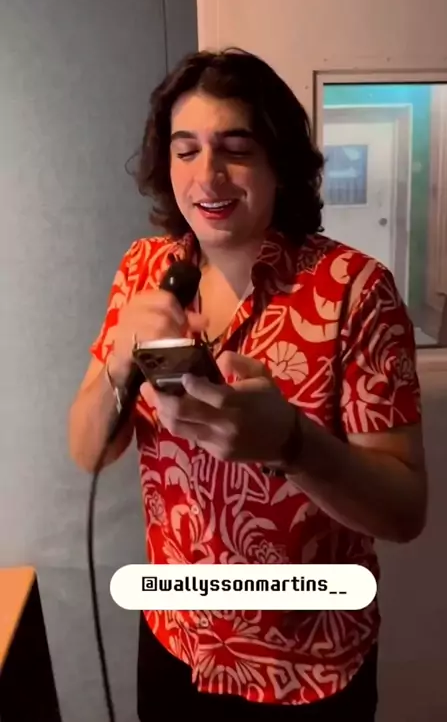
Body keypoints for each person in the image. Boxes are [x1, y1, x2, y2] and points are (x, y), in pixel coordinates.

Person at [68, 48, 427, 721]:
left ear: (278, 164)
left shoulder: (356, 291)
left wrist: (292, 445)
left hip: (311, 668)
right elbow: (89, 449)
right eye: (186, 150)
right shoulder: (143, 269)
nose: (207, 176)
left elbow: (405, 511)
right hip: (176, 645)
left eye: (235, 150)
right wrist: (119, 361)